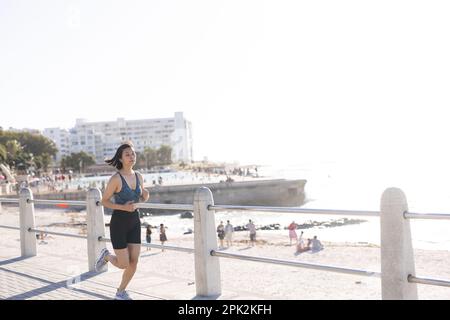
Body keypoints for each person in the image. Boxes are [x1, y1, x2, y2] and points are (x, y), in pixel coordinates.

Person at [94, 143, 150, 300]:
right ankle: (106, 256)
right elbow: (104, 201)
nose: (132, 157)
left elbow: (140, 195)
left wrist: (145, 195)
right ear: (120, 158)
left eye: (133, 154)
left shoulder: (139, 176)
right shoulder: (115, 179)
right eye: (127, 154)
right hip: (119, 222)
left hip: (134, 222)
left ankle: (120, 291)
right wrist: (122, 207)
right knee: (123, 263)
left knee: (134, 262)